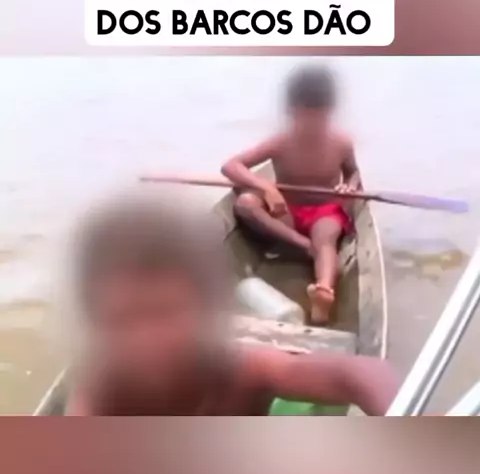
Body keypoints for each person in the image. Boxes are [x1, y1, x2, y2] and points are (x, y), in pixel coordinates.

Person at [66, 193, 398, 416]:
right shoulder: (102, 396)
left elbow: (362, 374)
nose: (149, 339)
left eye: (166, 313)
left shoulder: (240, 373)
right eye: (124, 320)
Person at [221, 65, 360, 325]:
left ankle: (324, 292)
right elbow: (231, 166)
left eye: (318, 118)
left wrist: (349, 186)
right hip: (288, 213)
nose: (310, 125)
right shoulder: (281, 142)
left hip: (325, 211)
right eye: (304, 117)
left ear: (329, 113)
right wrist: (266, 187)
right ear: (291, 112)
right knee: (246, 203)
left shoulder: (341, 143)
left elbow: (353, 173)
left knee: (326, 238)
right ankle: (303, 246)